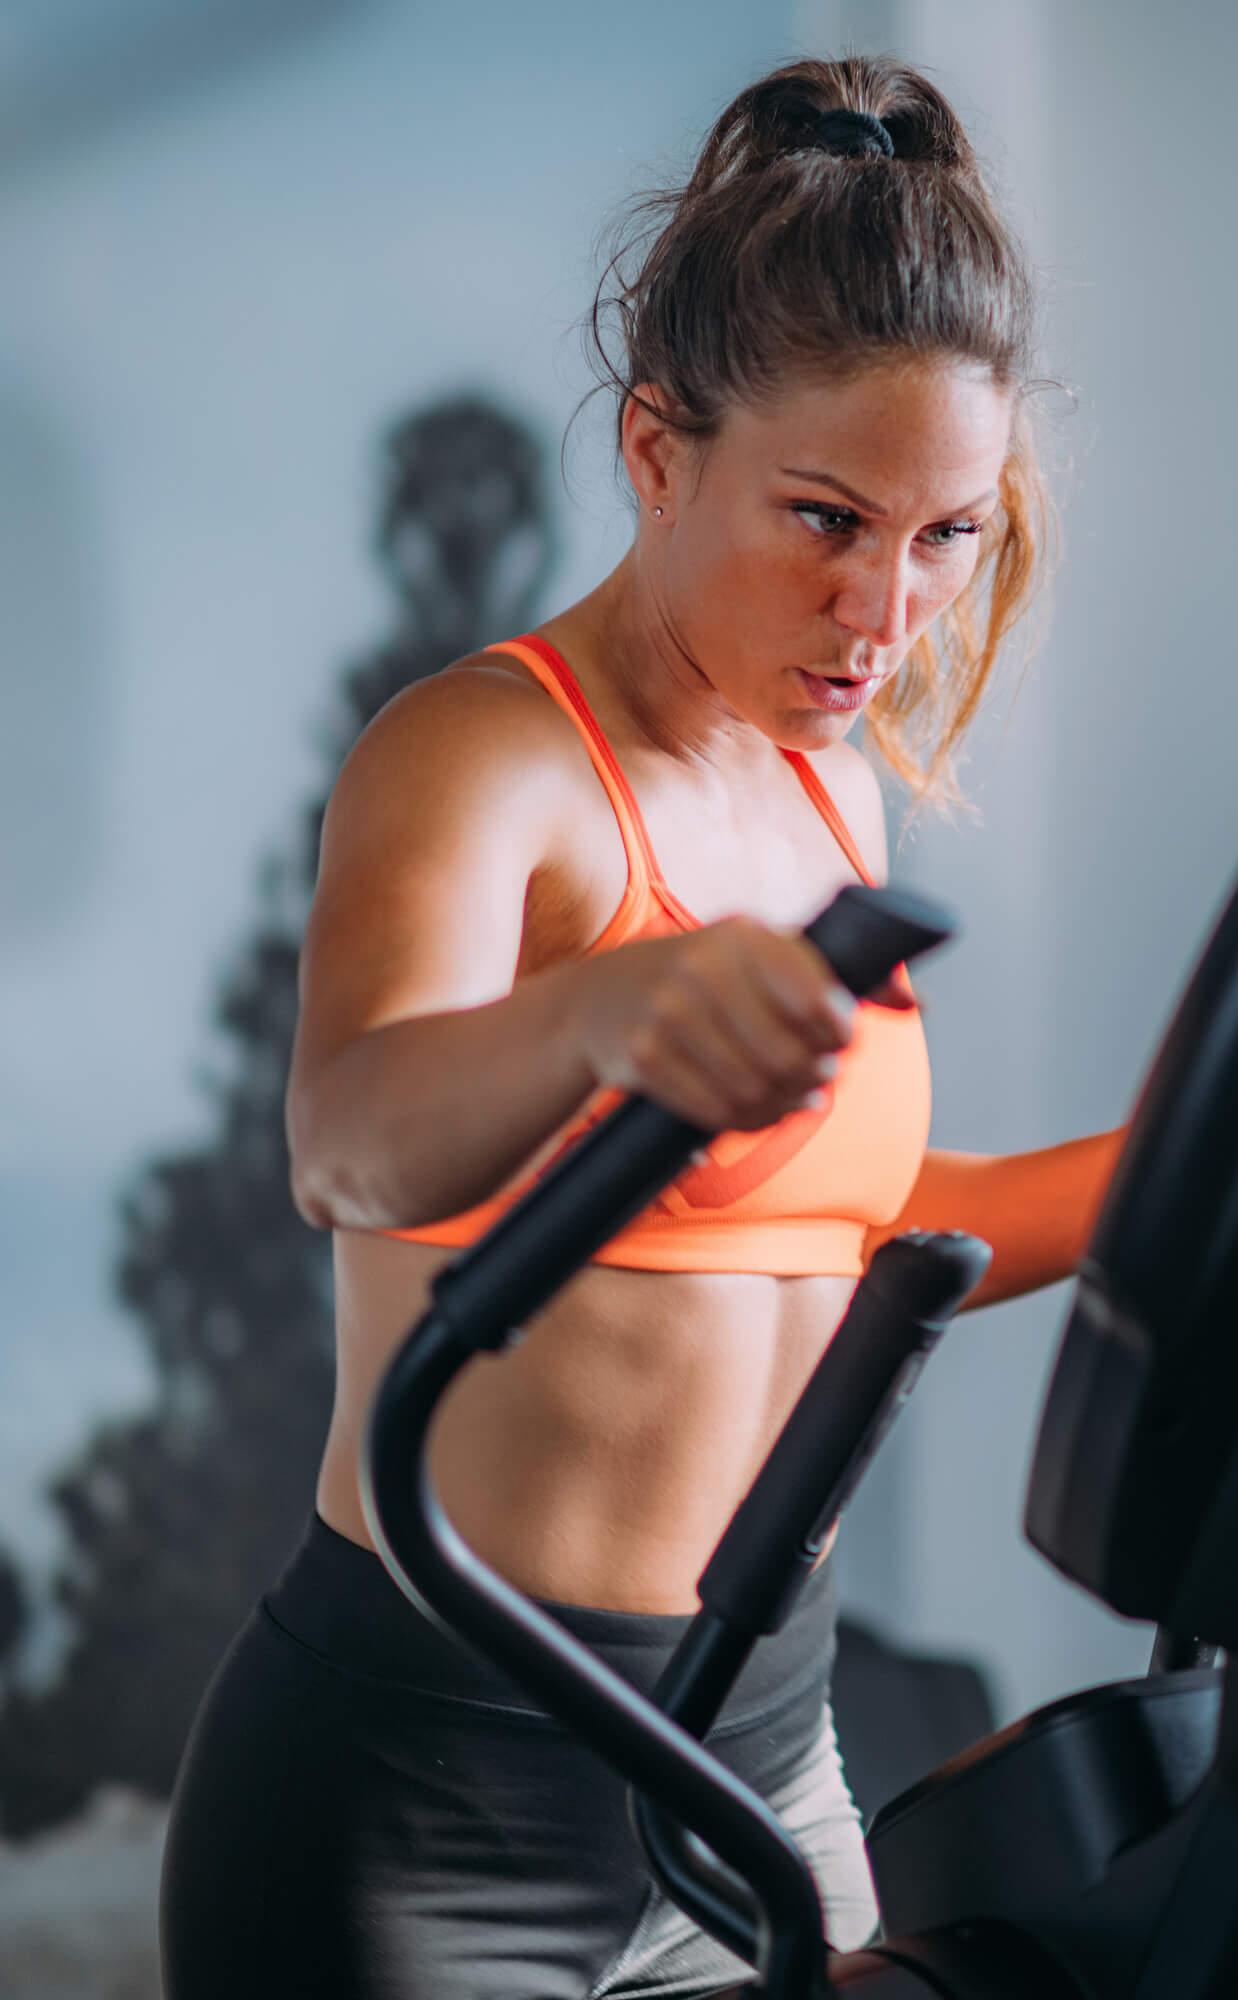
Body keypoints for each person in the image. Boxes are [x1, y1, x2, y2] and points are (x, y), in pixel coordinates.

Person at [159, 55, 1122, 2000]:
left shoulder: (822, 787)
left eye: (945, 535)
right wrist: (609, 1008)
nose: (886, 612)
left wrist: (1192, 1158)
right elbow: (347, 1137)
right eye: (828, 517)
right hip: (437, 1797)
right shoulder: (487, 760)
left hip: (761, 1758)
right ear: (655, 449)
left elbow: (820, 1227)